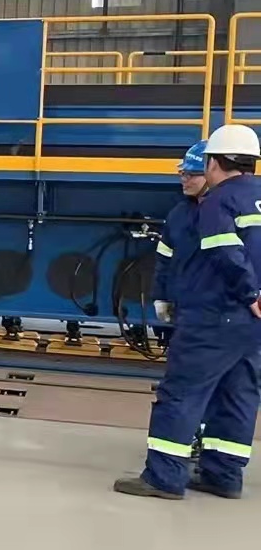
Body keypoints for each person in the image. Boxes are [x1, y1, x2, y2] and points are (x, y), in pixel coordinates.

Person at [115, 123, 261, 500]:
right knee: (238, 393)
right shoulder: (256, 198)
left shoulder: (218, 201)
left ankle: (164, 477)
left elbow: (225, 251)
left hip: (215, 315)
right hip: (251, 324)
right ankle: (223, 475)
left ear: (213, 163)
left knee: (182, 392)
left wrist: (249, 292)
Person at [152, 140, 209, 347]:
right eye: (182, 173)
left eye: (191, 174)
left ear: (212, 174)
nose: (184, 179)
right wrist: (161, 297)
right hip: (184, 311)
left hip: (213, 314)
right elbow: (164, 258)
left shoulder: (225, 212)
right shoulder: (178, 214)